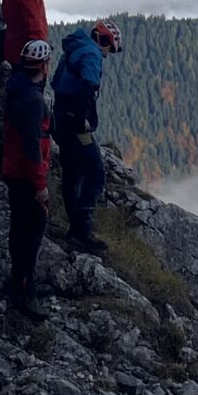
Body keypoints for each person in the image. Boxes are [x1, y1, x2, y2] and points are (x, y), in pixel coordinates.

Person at [52, 19, 121, 254]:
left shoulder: (75, 47)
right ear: (102, 40)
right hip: (75, 123)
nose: (107, 54)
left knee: (72, 173)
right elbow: (88, 86)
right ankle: (83, 231)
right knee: (95, 172)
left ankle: (75, 230)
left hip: (60, 117)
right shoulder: (91, 54)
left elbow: (56, 82)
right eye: (109, 48)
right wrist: (82, 118)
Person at [1, 36, 53, 315]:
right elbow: (32, 145)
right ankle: (25, 292)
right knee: (32, 231)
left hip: (13, 170)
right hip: (25, 174)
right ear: (43, 66)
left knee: (20, 228)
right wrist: (40, 184)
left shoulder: (15, 88)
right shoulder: (33, 100)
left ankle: (19, 281)